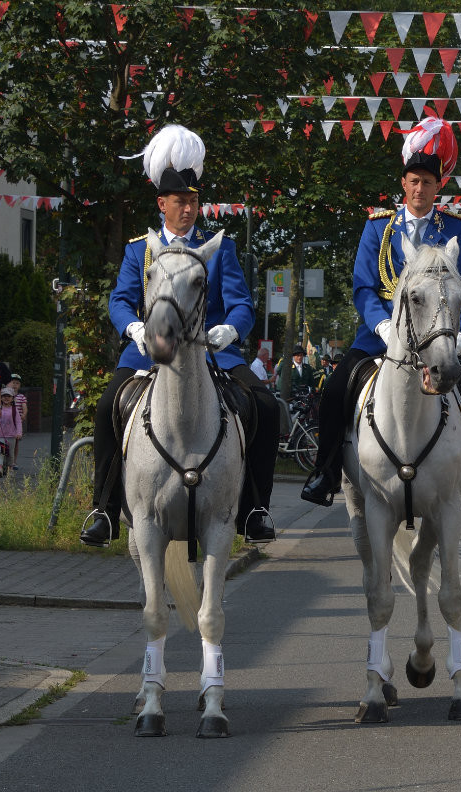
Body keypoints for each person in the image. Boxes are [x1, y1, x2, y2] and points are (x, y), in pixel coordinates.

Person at [80, 123, 279, 547]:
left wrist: (231, 329)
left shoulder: (219, 247)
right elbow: (120, 299)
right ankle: (104, 510)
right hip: (149, 352)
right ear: (162, 203)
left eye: (193, 202)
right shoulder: (140, 250)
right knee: (104, 408)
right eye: (179, 202)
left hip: (212, 353)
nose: (188, 210)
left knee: (264, 404)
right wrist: (132, 326)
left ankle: (255, 509)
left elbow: (242, 303)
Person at [301, 116, 461, 512]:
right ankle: (324, 472)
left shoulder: (455, 230)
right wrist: (379, 325)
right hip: (380, 337)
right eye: (413, 181)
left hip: (438, 334)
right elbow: (363, 286)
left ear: (437, 186)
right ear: (403, 184)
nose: (419, 189)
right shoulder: (378, 228)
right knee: (336, 389)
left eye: (427, 182)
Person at [0, 387, 22, 477]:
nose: (6, 398)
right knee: (1, 452)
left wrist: (19, 433)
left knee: (10, 454)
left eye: (8, 396)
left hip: (11, 435)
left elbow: (18, 422)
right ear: (1, 398)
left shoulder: (14, 410)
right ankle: (0, 468)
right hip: (0, 435)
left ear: (12, 398)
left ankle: (10, 468)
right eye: (4, 396)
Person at [7, 373, 27, 470]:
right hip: (6, 423)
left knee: (15, 443)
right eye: (13, 383)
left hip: (16, 423)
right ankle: (6, 461)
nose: (15, 385)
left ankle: (14, 461)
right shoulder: (5, 396)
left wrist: (24, 414)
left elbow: (24, 407)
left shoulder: (21, 397)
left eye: (17, 383)